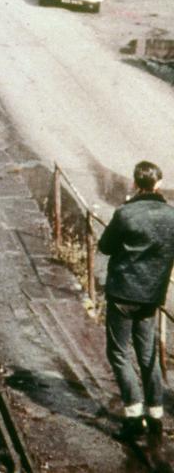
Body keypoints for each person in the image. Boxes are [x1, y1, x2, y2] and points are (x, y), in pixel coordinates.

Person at [98, 160, 174, 443]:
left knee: (119, 354)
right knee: (148, 355)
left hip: (122, 294)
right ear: (158, 183)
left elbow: (105, 246)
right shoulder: (171, 216)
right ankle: (156, 416)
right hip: (151, 297)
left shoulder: (125, 214)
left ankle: (134, 416)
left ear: (134, 183)